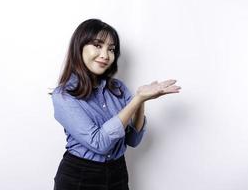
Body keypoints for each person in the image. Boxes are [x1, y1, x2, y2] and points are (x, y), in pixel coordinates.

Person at [50, 18, 181, 190]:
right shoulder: (64, 96)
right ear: (79, 47)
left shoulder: (118, 88)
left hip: (117, 172)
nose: (105, 55)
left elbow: (133, 140)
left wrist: (141, 101)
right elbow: (99, 144)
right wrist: (137, 99)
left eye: (111, 49)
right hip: (80, 176)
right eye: (98, 45)